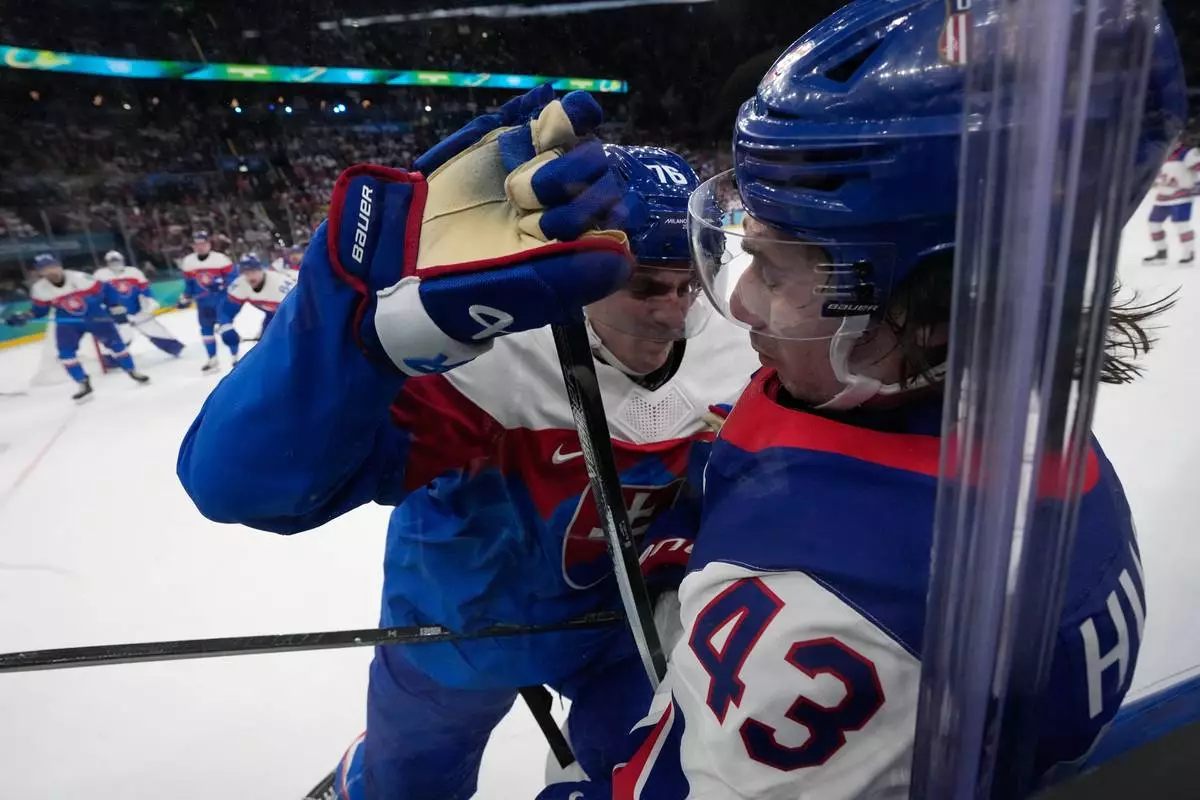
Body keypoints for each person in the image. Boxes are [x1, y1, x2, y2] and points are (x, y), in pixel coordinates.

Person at [533, 1, 1185, 798]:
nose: (739, 306)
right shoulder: (922, 406)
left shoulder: (830, 622)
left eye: (776, 271)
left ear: (935, 312)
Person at [176, 87, 756, 800]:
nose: (672, 313)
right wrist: (351, 335)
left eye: (686, 286)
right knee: (409, 787)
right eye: (643, 286)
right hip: (458, 624)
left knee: (653, 770)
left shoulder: (732, 354)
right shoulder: (489, 354)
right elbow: (247, 485)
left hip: (619, 622)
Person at [3, 253, 149, 400]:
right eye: (45, 269)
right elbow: (40, 310)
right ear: (40, 272)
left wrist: (115, 306)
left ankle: (132, 371)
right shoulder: (39, 289)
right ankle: (83, 382)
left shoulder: (81, 278)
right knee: (65, 354)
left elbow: (107, 289)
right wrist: (25, 316)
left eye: (53, 267)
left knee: (117, 346)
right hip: (67, 322)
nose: (50, 271)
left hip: (95, 317)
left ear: (59, 266)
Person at [94, 250, 184, 357]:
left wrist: (150, 300)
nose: (115, 264)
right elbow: (96, 295)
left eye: (117, 261)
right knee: (123, 335)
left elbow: (145, 289)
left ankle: (174, 348)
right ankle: (111, 359)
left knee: (154, 329)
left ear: (122, 260)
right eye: (112, 262)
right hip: (115, 315)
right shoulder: (100, 275)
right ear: (107, 263)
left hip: (136, 310)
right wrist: (103, 308)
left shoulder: (133, 272)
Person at [216, 252, 295, 364]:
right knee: (267, 351)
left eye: (253, 271)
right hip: (273, 316)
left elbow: (301, 310)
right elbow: (226, 311)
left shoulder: (280, 285)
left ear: (261, 269)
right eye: (246, 272)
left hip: (295, 315)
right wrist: (226, 326)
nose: (250, 277)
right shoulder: (240, 285)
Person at [177, 230, 235, 372]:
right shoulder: (189, 262)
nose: (200, 247)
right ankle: (212, 359)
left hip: (221, 302)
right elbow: (189, 284)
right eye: (197, 244)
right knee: (206, 331)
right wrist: (186, 296)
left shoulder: (221, 259)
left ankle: (235, 357)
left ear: (209, 244)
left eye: (203, 243)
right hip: (203, 304)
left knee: (226, 329)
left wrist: (222, 285)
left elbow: (234, 279)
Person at [1145, 138, 1200, 265]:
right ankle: (1161, 252)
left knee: (1181, 225)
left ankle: (1188, 253)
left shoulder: (1186, 153)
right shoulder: (1161, 154)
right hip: (1163, 197)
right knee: (1154, 224)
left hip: (1181, 196)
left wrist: (1198, 184)